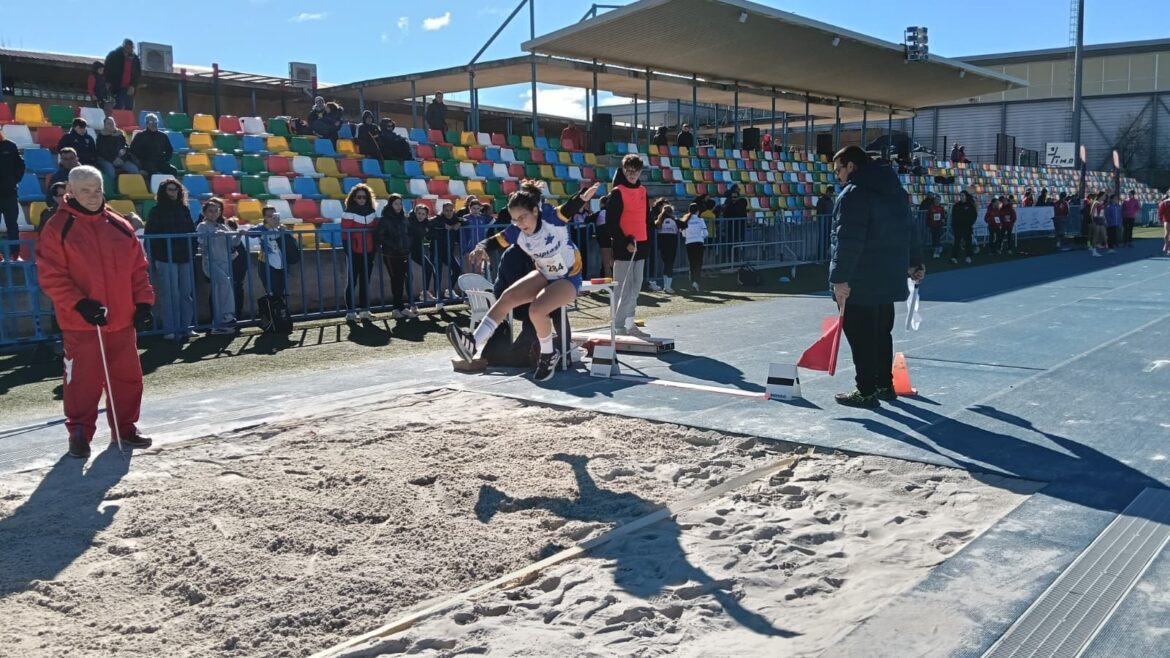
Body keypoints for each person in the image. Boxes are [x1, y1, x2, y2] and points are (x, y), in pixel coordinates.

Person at [35, 165, 155, 458]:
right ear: (70, 191)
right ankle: (79, 433)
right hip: (81, 324)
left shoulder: (119, 224)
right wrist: (79, 303)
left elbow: (138, 269)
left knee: (127, 378)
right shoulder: (57, 227)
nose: (92, 196)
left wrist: (143, 303)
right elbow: (51, 274)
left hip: (122, 320)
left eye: (97, 190)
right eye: (85, 190)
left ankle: (125, 428)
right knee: (81, 381)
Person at [446, 180, 600, 382]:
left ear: (535, 211)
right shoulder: (517, 230)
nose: (520, 224)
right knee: (507, 297)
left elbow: (569, 208)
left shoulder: (551, 218)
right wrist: (481, 247)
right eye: (515, 219)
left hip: (568, 277)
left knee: (536, 310)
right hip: (544, 273)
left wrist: (581, 198)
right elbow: (495, 240)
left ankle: (548, 355)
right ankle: (473, 343)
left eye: (523, 218)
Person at [828, 146, 924, 408]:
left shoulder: (854, 194)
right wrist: (915, 262)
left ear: (851, 166)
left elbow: (847, 240)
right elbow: (909, 229)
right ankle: (884, 385)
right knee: (882, 334)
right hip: (888, 275)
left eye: (839, 170)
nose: (838, 176)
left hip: (860, 278)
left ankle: (866, 390)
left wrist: (839, 279)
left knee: (860, 337)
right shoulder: (896, 192)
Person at [143, 178, 197, 341]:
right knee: (170, 294)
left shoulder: (184, 209)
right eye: (170, 190)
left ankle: (187, 327)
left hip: (184, 256)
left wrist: (192, 251)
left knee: (186, 293)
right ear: (163, 192)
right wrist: (157, 255)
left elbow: (192, 231)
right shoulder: (156, 211)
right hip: (165, 258)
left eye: (176, 190)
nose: (173, 193)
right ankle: (170, 329)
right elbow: (150, 236)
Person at [608, 155, 652, 337]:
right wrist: (624, 242)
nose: (632, 174)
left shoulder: (642, 191)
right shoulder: (617, 192)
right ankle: (618, 326)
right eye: (629, 170)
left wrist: (647, 242)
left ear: (640, 171)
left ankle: (630, 324)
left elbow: (647, 218)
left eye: (636, 170)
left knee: (636, 287)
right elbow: (611, 222)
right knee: (623, 289)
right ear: (624, 170)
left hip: (641, 245)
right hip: (624, 247)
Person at [195, 198, 239, 334]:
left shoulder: (222, 226)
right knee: (225, 284)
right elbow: (201, 240)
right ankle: (228, 316)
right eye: (210, 211)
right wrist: (213, 235)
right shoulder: (202, 226)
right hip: (211, 262)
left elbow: (233, 243)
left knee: (219, 292)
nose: (213, 213)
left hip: (224, 262)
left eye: (216, 211)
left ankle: (218, 324)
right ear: (205, 213)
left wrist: (239, 235)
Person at [340, 183, 379, 321]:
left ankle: (364, 310)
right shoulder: (348, 213)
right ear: (354, 198)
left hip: (369, 252)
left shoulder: (372, 212)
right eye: (359, 197)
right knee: (352, 282)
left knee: (365, 282)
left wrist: (374, 250)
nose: (362, 199)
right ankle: (350, 312)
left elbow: (375, 233)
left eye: (364, 197)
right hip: (354, 253)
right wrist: (349, 252)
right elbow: (345, 235)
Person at [375, 194, 413, 319]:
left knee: (401, 279)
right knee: (396, 279)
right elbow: (380, 236)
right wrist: (394, 245)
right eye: (396, 203)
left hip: (403, 253)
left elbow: (409, 233)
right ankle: (396, 308)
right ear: (390, 205)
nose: (399, 206)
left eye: (400, 203)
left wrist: (407, 245)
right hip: (391, 254)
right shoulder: (385, 219)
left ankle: (401, 307)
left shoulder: (404, 218)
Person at [245, 207, 290, 299]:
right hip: (267, 265)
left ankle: (277, 307)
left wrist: (285, 232)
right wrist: (267, 227)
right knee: (272, 293)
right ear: (264, 217)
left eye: (274, 215)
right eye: (269, 216)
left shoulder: (281, 228)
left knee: (281, 294)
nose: (272, 218)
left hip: (282, 265)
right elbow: (250, 233)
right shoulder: (262, 227)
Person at [0, 128, 24, 261]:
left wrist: (13, 180)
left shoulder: (10, 146)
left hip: (9, 194)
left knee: (12, 225)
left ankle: (14, 254)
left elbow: (20, 166)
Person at [95, 116, 137, 182]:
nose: (111, 125)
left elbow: (125, 147)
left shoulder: (120, 135)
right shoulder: (101, 136)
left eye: (112, 123)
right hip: (106, 159)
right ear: (105, 125)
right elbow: (102, 151)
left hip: (120, 159)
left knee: (134, 169)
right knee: (111, 172)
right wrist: (113, 160)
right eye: (108, 124)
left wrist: (122, 159)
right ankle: (112, 187)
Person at [103, 39, 140, 110]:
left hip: (129, 87)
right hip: (116, 86)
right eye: (127, 47)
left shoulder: (135, 59)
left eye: (131, 47)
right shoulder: (114, 55)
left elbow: (137, 74)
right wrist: (107, 82)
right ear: (123, 47)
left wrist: (133, 85)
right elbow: (107, 69)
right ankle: (114, 116)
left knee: (129, 106)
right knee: (118, 105)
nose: (129, 49)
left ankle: (126, 117)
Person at [654, 202, 683, 293]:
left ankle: (666, 286)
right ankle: (668, 286)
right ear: (671, 212)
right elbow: (684, 225)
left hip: (662, 245)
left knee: (666, 264)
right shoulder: (675, 220)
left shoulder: (659, 221)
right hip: (672, 244)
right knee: (670, 264)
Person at [680, 202, 708, 291]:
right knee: (698, 263)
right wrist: (700, 236)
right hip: (699, 243)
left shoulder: (685, 220)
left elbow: (683, 234)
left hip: (689, 243)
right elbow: (705, 233)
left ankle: (692, 282)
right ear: (698, 211)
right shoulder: (701, 220)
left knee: (692, 263)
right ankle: (697, 282)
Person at [949, 191, 976, 264]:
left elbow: (974, 215)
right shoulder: (956, 205)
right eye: (960, 195)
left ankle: (968, 256)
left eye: (963, 195)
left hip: (967, 227)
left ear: (966, 196)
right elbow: (953, 216)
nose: (961, 197)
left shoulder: (970, 205)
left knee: (968, 242)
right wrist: (954, 225)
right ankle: (954, 257)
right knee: (956, 242)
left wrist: (970, 223)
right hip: (958, 227)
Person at [924, 194, 947, 259]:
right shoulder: (931, 207)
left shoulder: (941, 208)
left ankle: (936, 252)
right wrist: (927, 224)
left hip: (939, 225)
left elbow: (943, 216)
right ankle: (939, 247)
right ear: (934, 200)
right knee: (934, 239)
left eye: (938, 199)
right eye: (936, 199)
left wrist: (943, 223)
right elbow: (928, 216)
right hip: (932, 225)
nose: (937, 200)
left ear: (940, 200)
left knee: (937, 238)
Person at [1089, 191, 1108, 257]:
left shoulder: (1101, 203)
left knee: (1103, 234)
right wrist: (1093, 221)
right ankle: (1094, 251)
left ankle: (1102, 245)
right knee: (1096, 235)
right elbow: (1092, 213)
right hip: (1096, 220)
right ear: (1101, 196)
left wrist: (1105, 220)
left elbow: (1102, 213)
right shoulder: (1096, 203)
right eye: (1104, 195)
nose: (1105, 197)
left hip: (1101, 220)